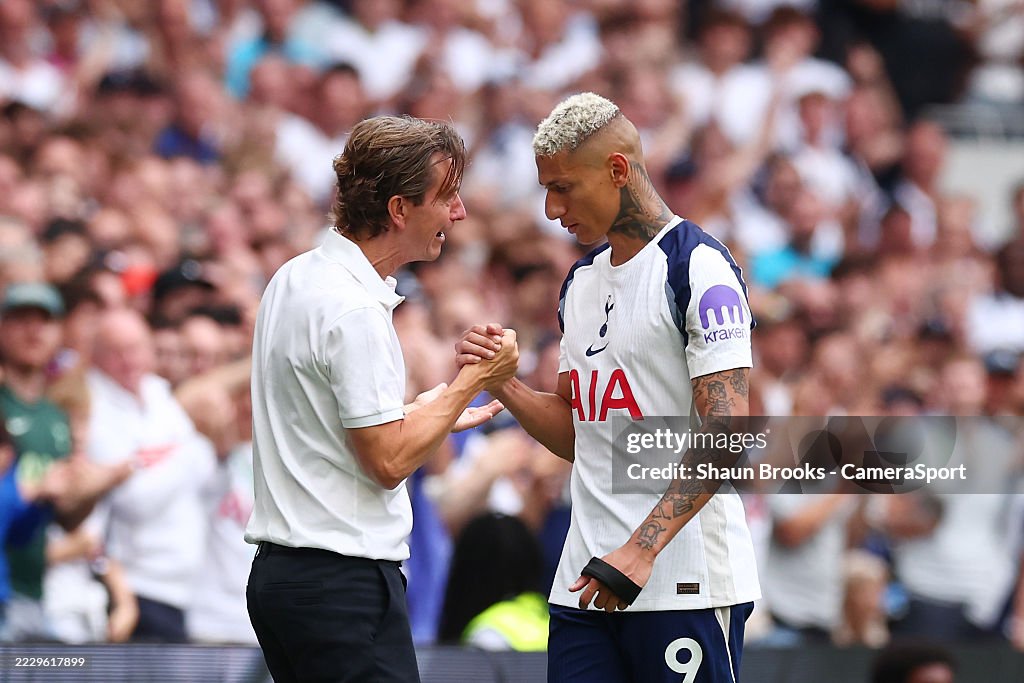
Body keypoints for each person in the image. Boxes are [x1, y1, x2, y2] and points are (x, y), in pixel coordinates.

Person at [457, 93, 759, 682]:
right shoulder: (579, 283)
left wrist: (642, 548)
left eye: (563, 187)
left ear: (618, 171)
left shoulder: (697, 266)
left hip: (683, 581)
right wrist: (506, 384)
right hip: (586, 582)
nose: (550, 209)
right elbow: (581, 435)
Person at [244, 114, 518, 683]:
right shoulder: (355, 310)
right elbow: (389, 461)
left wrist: (425, 414)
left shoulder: (293, 278)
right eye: (447, 198)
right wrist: (475, 377)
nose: (459, 214)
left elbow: (327, 425)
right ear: (399, 210)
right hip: (339, 585)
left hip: (288, 580)